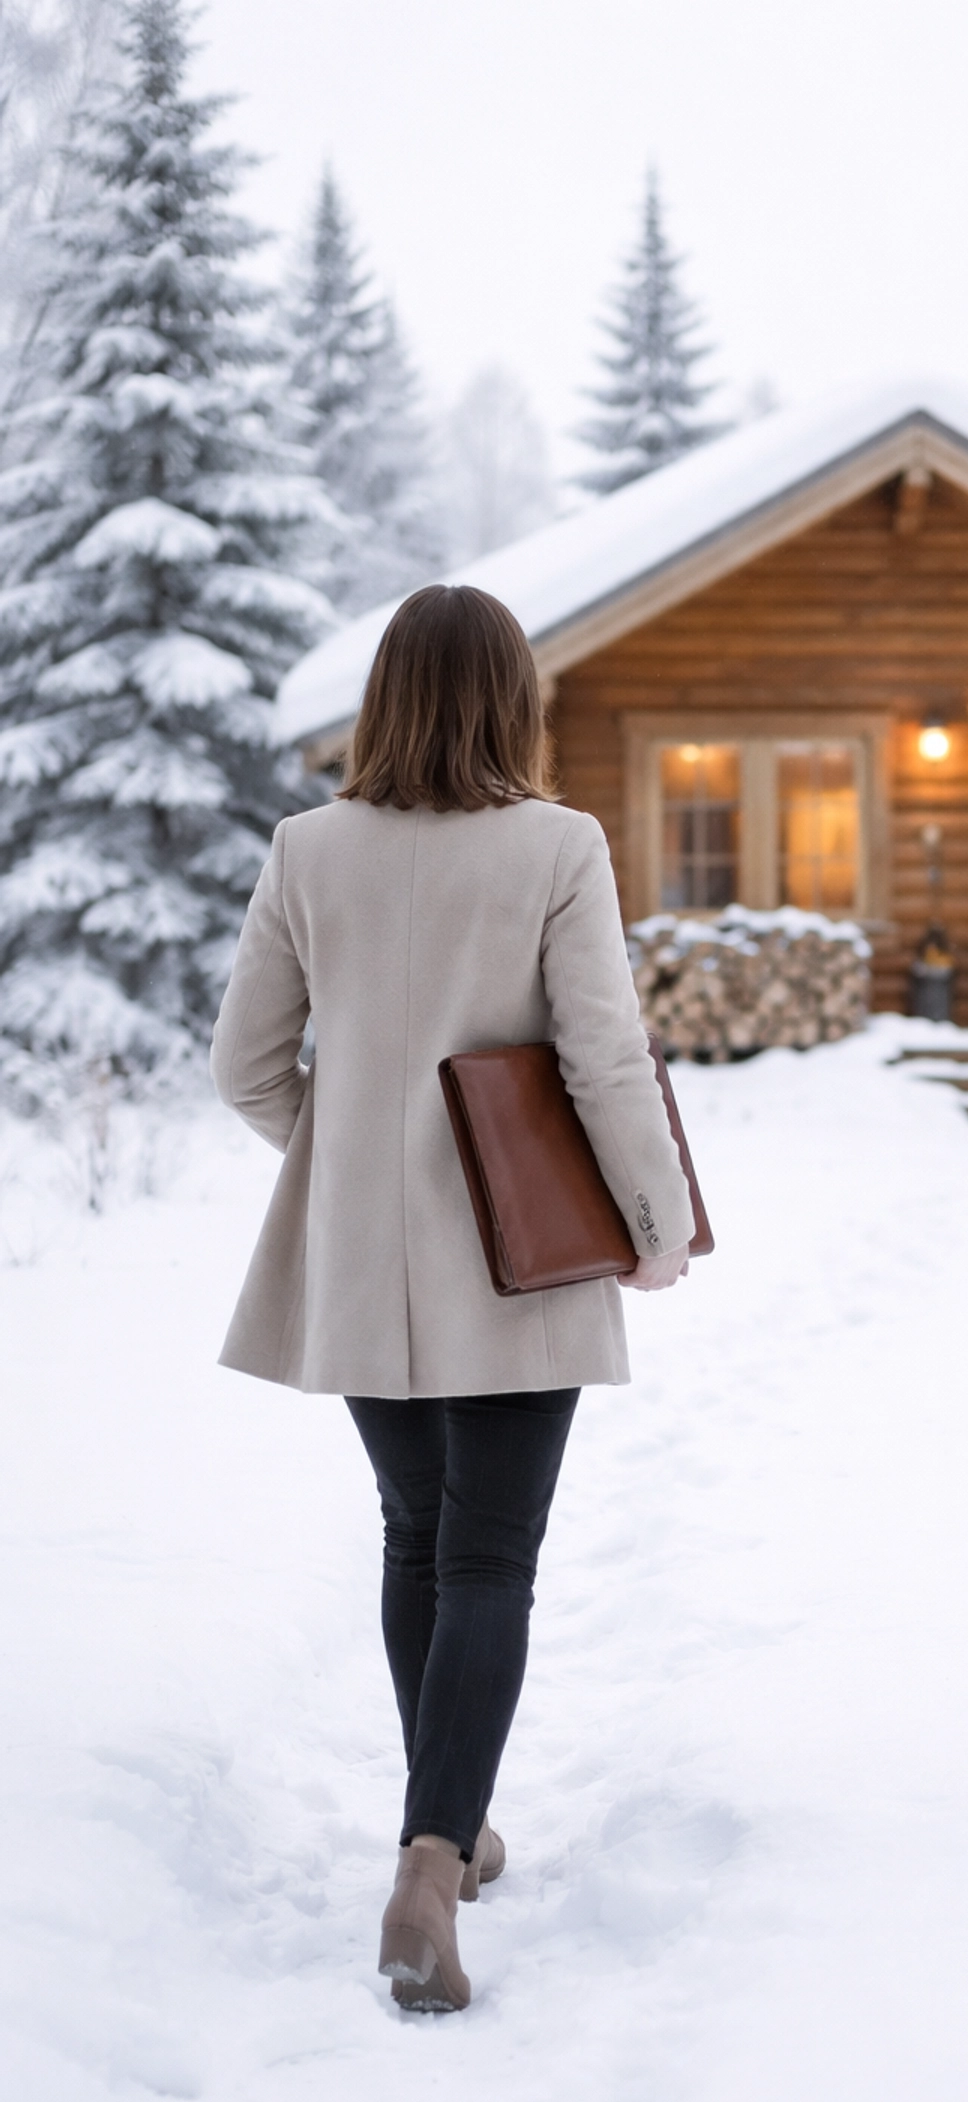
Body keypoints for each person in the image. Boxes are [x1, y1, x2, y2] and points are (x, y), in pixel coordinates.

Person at [210, 585, 694, 2013]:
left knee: (418, 1536)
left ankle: (453, 1825)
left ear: (385, 700)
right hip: (519, 1258)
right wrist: (656, 1223)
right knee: (489, 1557)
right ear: (512, 702)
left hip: (364, 1264)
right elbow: (603, 1059)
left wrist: (351, 1161)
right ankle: (432, 1861)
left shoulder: (308, 849)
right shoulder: (558, 845)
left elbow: (246, 1067)